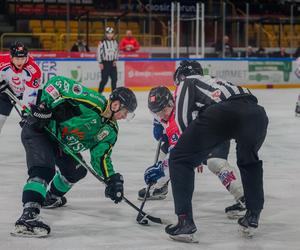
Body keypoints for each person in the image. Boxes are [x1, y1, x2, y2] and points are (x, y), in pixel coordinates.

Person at [11, 76, 137, 237]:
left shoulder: (110, 131)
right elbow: (57, 83)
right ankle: (28, 216)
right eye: (125, 112)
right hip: (40, 130)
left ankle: (51, 197)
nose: (125, 116)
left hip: (61, 144)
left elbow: (100, 157)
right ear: (116, 104)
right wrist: (44, 106)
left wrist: (111, 179)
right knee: (43, 170)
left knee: (76, 171)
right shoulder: (93, 101)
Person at [165, 61, 268, 242]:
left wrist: (191, 153)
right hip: (257, 113)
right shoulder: (218, 82)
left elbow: (183, 120)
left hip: (223, 113)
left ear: (180, 76)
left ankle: (184, 222)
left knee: (178, 159)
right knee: (249, 162)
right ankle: (252, 215)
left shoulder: (186, 82)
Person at [139, 86, 245, 219]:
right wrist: (159, 125)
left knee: (215, 162)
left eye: (164, 111)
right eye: (157, 113)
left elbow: (179, 154)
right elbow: (171, 139)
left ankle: (242, 197)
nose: (162, 115)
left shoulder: (182, 114)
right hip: (194, 134)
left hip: (215, 132)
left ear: (171, 103)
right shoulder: (165, 109)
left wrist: (160, 170)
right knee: (166, 148)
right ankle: (160, 186)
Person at [0, 41, 41, 134]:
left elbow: (31, 92)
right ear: (11, 57)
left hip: (25, 94)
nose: (20, 62)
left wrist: (26, 110)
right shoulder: (2, 60)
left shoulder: (33, 70)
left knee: (30, 124)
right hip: (7, 91)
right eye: (17, 58)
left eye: (22, 58)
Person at [97, 27, 119, 93]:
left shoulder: (115, 42)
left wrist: (115, 59)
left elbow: (116, 51)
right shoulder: (102, 42)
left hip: (112, 63)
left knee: (114, 79)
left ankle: (114, 94)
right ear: (105, 34)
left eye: (111, 33)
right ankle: (99, 93)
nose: (109, 35)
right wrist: (100, 62)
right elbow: (98, 52)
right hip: (105, 63)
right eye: (108, 33)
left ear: (113, 34)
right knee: (104, 80)